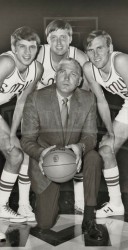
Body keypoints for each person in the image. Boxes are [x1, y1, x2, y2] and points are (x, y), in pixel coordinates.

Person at [21, 58, 103, 241]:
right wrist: (41, 153)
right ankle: (42, 199)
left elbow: (90, 137)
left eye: (73, 74)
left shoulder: (88, 98)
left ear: (80, 80)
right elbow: (27, 140)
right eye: (62, 72)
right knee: (45, 223)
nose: (67, 77)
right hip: (47, 161)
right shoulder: (35, 98)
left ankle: (89, 217)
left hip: (75, 157)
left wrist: (80, 147)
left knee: (94, 157)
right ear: (55, 75)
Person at [36, 19, 89, 213]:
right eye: (53, 38)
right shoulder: (38, 53)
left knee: (75, 149)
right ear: (46, 39)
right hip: (40, 111)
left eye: (63, 38)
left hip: (68, 108)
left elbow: (88, 90)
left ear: (71, 39)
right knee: (28, 154)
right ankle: (25, 203)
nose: (58, 43)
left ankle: (80, 200)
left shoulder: (79, 57)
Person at [0, 26, 43, 222]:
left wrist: (11, 134)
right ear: (13, 47)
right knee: (15, 154)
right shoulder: (7, 63)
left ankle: (3, 206)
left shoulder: (37, 69)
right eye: (22, 46)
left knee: (17, 156)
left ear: (38, 48)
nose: (27, 52)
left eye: (32, 47)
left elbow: (22, 102)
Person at [83, 30, 125, 218]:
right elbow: (101, 100)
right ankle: (116, 204)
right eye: (90, 50)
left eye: (100, 48)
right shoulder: (89, 68)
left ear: (110, 48)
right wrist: (110, 131)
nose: (95, 54)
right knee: (106, 148)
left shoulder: (121, 61)